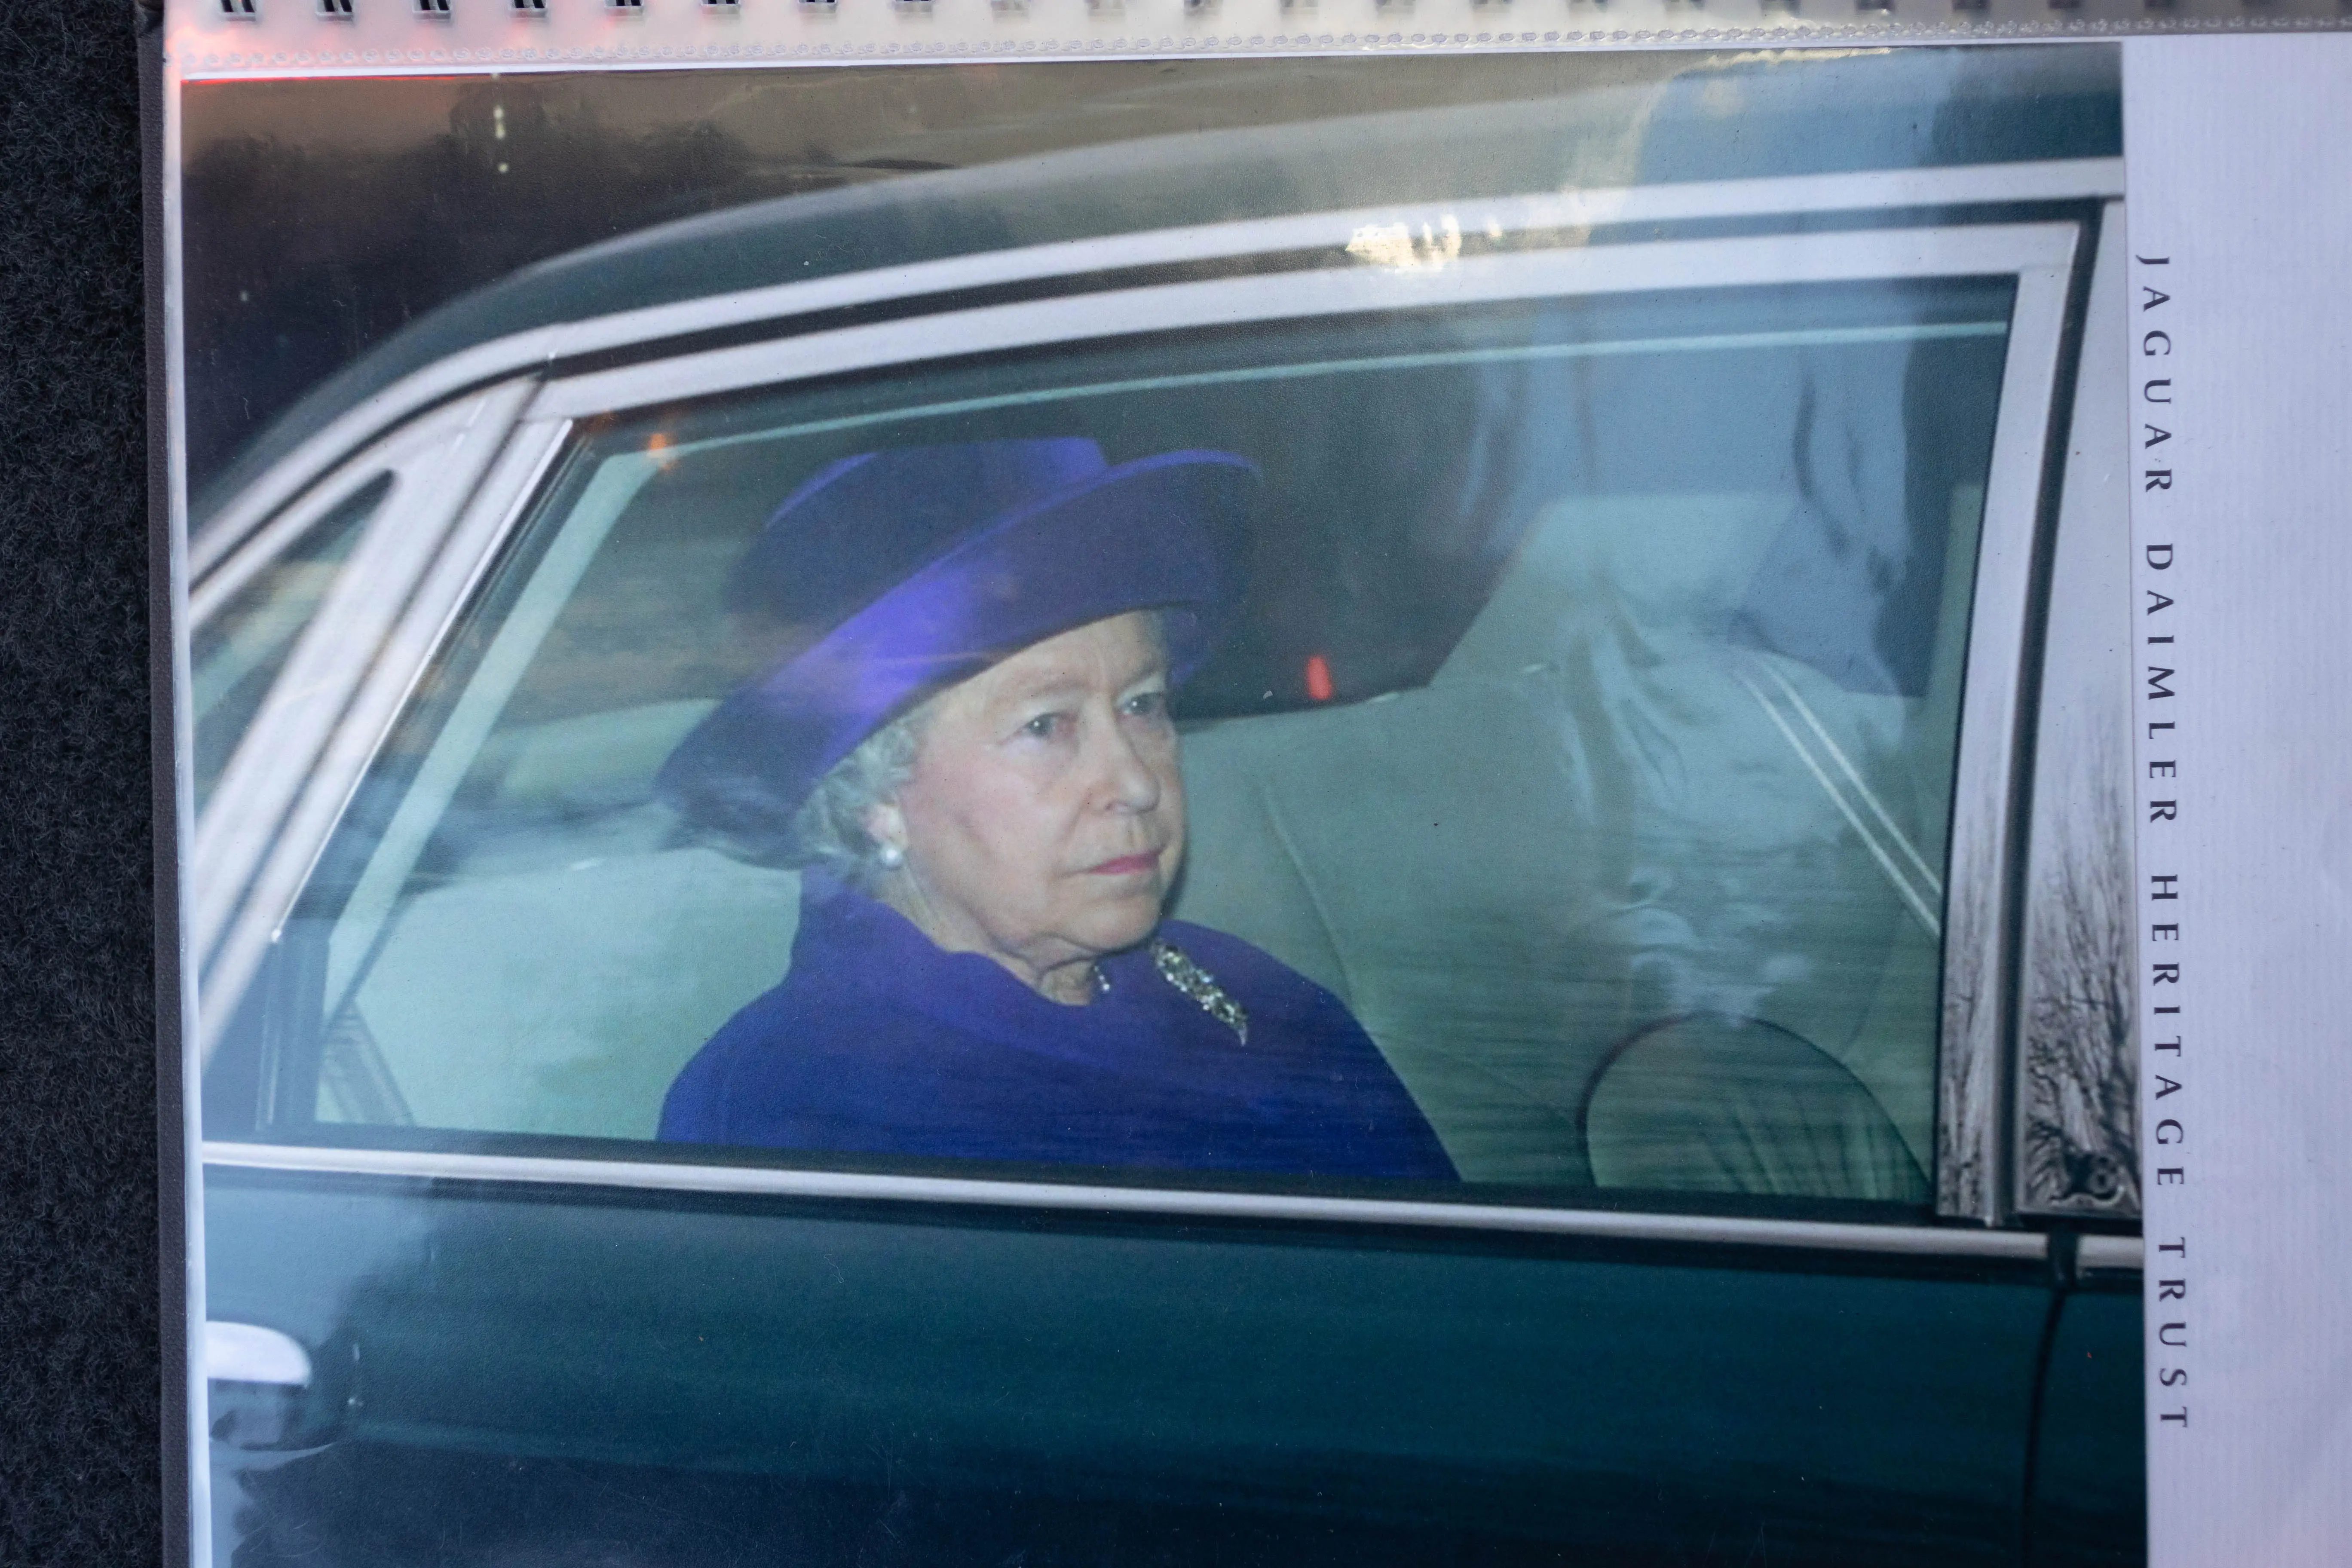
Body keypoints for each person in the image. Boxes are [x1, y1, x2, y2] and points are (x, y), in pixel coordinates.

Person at [654, 438, 1455, 1179]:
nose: (1135, 783)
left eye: (1143, 705)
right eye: (1046, 726)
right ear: (877, 795)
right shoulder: (793, 1112)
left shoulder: (1258, 995)